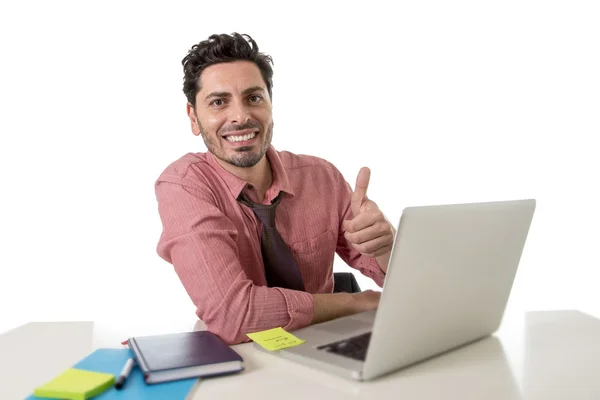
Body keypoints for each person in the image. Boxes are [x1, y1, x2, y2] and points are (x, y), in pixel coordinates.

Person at [155, 33, 396, 345]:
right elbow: (234, 317)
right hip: (242, 355)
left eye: (254, 98)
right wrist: (354, 303)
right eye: (218, 102)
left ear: (270, 103)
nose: (241, 116)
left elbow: (403, 283)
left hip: (324, 341)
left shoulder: (322, 177)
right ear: (194, 118)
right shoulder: (184, 186)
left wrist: (387, 247)